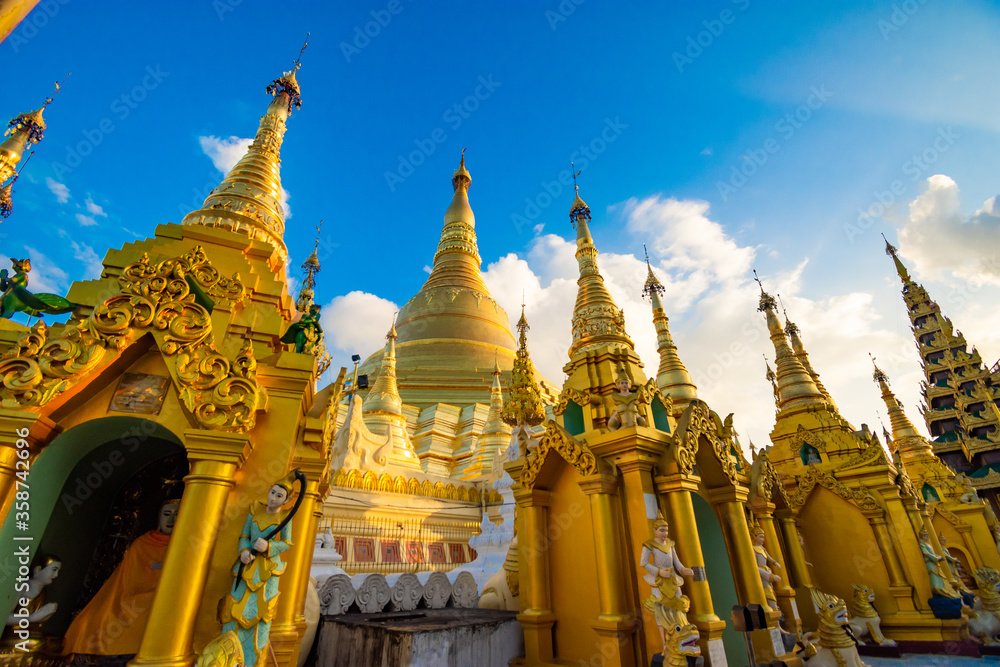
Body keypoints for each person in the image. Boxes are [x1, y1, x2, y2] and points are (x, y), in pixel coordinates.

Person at [62, 500, 180, 656]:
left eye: (176, 515)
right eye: (166, 514)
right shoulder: (141, 545)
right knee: (93, 620)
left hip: (167, 599)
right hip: (133, 596)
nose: (170, 520)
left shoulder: (183, 544)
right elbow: (128, 579)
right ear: (159, 517)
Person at [221, 473, 295, 667]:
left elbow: (287, 543)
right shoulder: (255, 509)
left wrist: (270, 548)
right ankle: (226, 657)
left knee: (262, 614)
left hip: (268, 571)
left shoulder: (286, 517)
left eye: (279, 496)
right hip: (246, 567)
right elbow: (244, 535)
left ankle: (252, 661)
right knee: (233, 610)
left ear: (287, 500)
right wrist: (244, 551)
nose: (273, 498)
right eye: (272, 492)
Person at [640, 512, 695, 656]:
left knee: (680, 608)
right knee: (660, 612)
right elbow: (643, 563)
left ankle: (683, 640)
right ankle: (665, 645)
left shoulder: (670, 544)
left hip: (673, 579)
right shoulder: (649, 545)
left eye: (666, 530)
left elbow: (676, 561)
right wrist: (658, 572)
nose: (664, 533)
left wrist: (684, 569)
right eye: (661, 530)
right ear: (655, 530)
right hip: (659, 582)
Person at [1, 553, 61, 654]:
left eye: (58, 571)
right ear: (37, 570)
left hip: (30, 632)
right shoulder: (23, 587)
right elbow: (4, 618)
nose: (56, 575)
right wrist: (32, 618)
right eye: (54, 570)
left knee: (57, 642)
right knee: (37, 642)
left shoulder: (42, 591)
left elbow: (35, 622)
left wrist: (45, 615)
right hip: (13, 634)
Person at [751, 527, 782, 607]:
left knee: (770, 589)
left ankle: (774, 608)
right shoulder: (752, 549)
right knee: (767, 591)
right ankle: (773, 607)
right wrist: (771, 576)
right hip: (761, 573)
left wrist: (775, 563)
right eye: (761, 537)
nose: (763, 539)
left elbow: (769, 557)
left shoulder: (762, 548)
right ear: (754, 536)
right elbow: (754, 567)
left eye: (763, 537)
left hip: (766, 570)